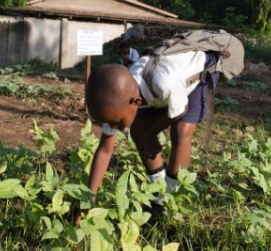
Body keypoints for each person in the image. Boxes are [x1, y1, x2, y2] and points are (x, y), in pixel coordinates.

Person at [77, 50, 220, 222]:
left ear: (136, 102)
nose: (116, 128)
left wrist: (150, 133)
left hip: (198, 75)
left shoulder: (162, 84)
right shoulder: (117, 99)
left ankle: (169, 201)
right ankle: (158, 195)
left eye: (118, 123)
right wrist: (88, 201)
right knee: (137, 130)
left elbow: (181, 109)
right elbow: (105, 151)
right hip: (164, 90)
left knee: (181, 131)